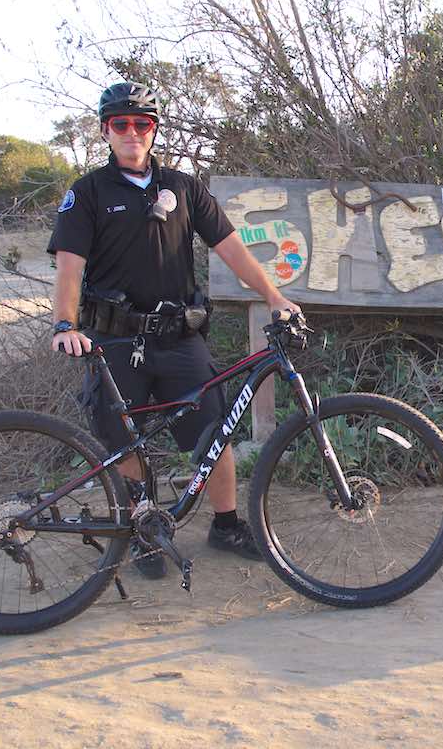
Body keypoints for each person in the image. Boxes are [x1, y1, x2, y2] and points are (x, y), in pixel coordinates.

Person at [48, 81, 299, 579]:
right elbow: (70, 269)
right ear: (106, 131)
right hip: (116, 340)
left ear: (155, 130)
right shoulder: (88, 192)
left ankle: (225, 525)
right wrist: (63, 324)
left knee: (214, 430)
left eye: (142, 124)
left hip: (179, 337)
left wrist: (274, 297)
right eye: (121, 124)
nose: (132, 133)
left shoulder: (184, 188)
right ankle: (145, 530)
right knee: (123, 441)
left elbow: (232, 250)